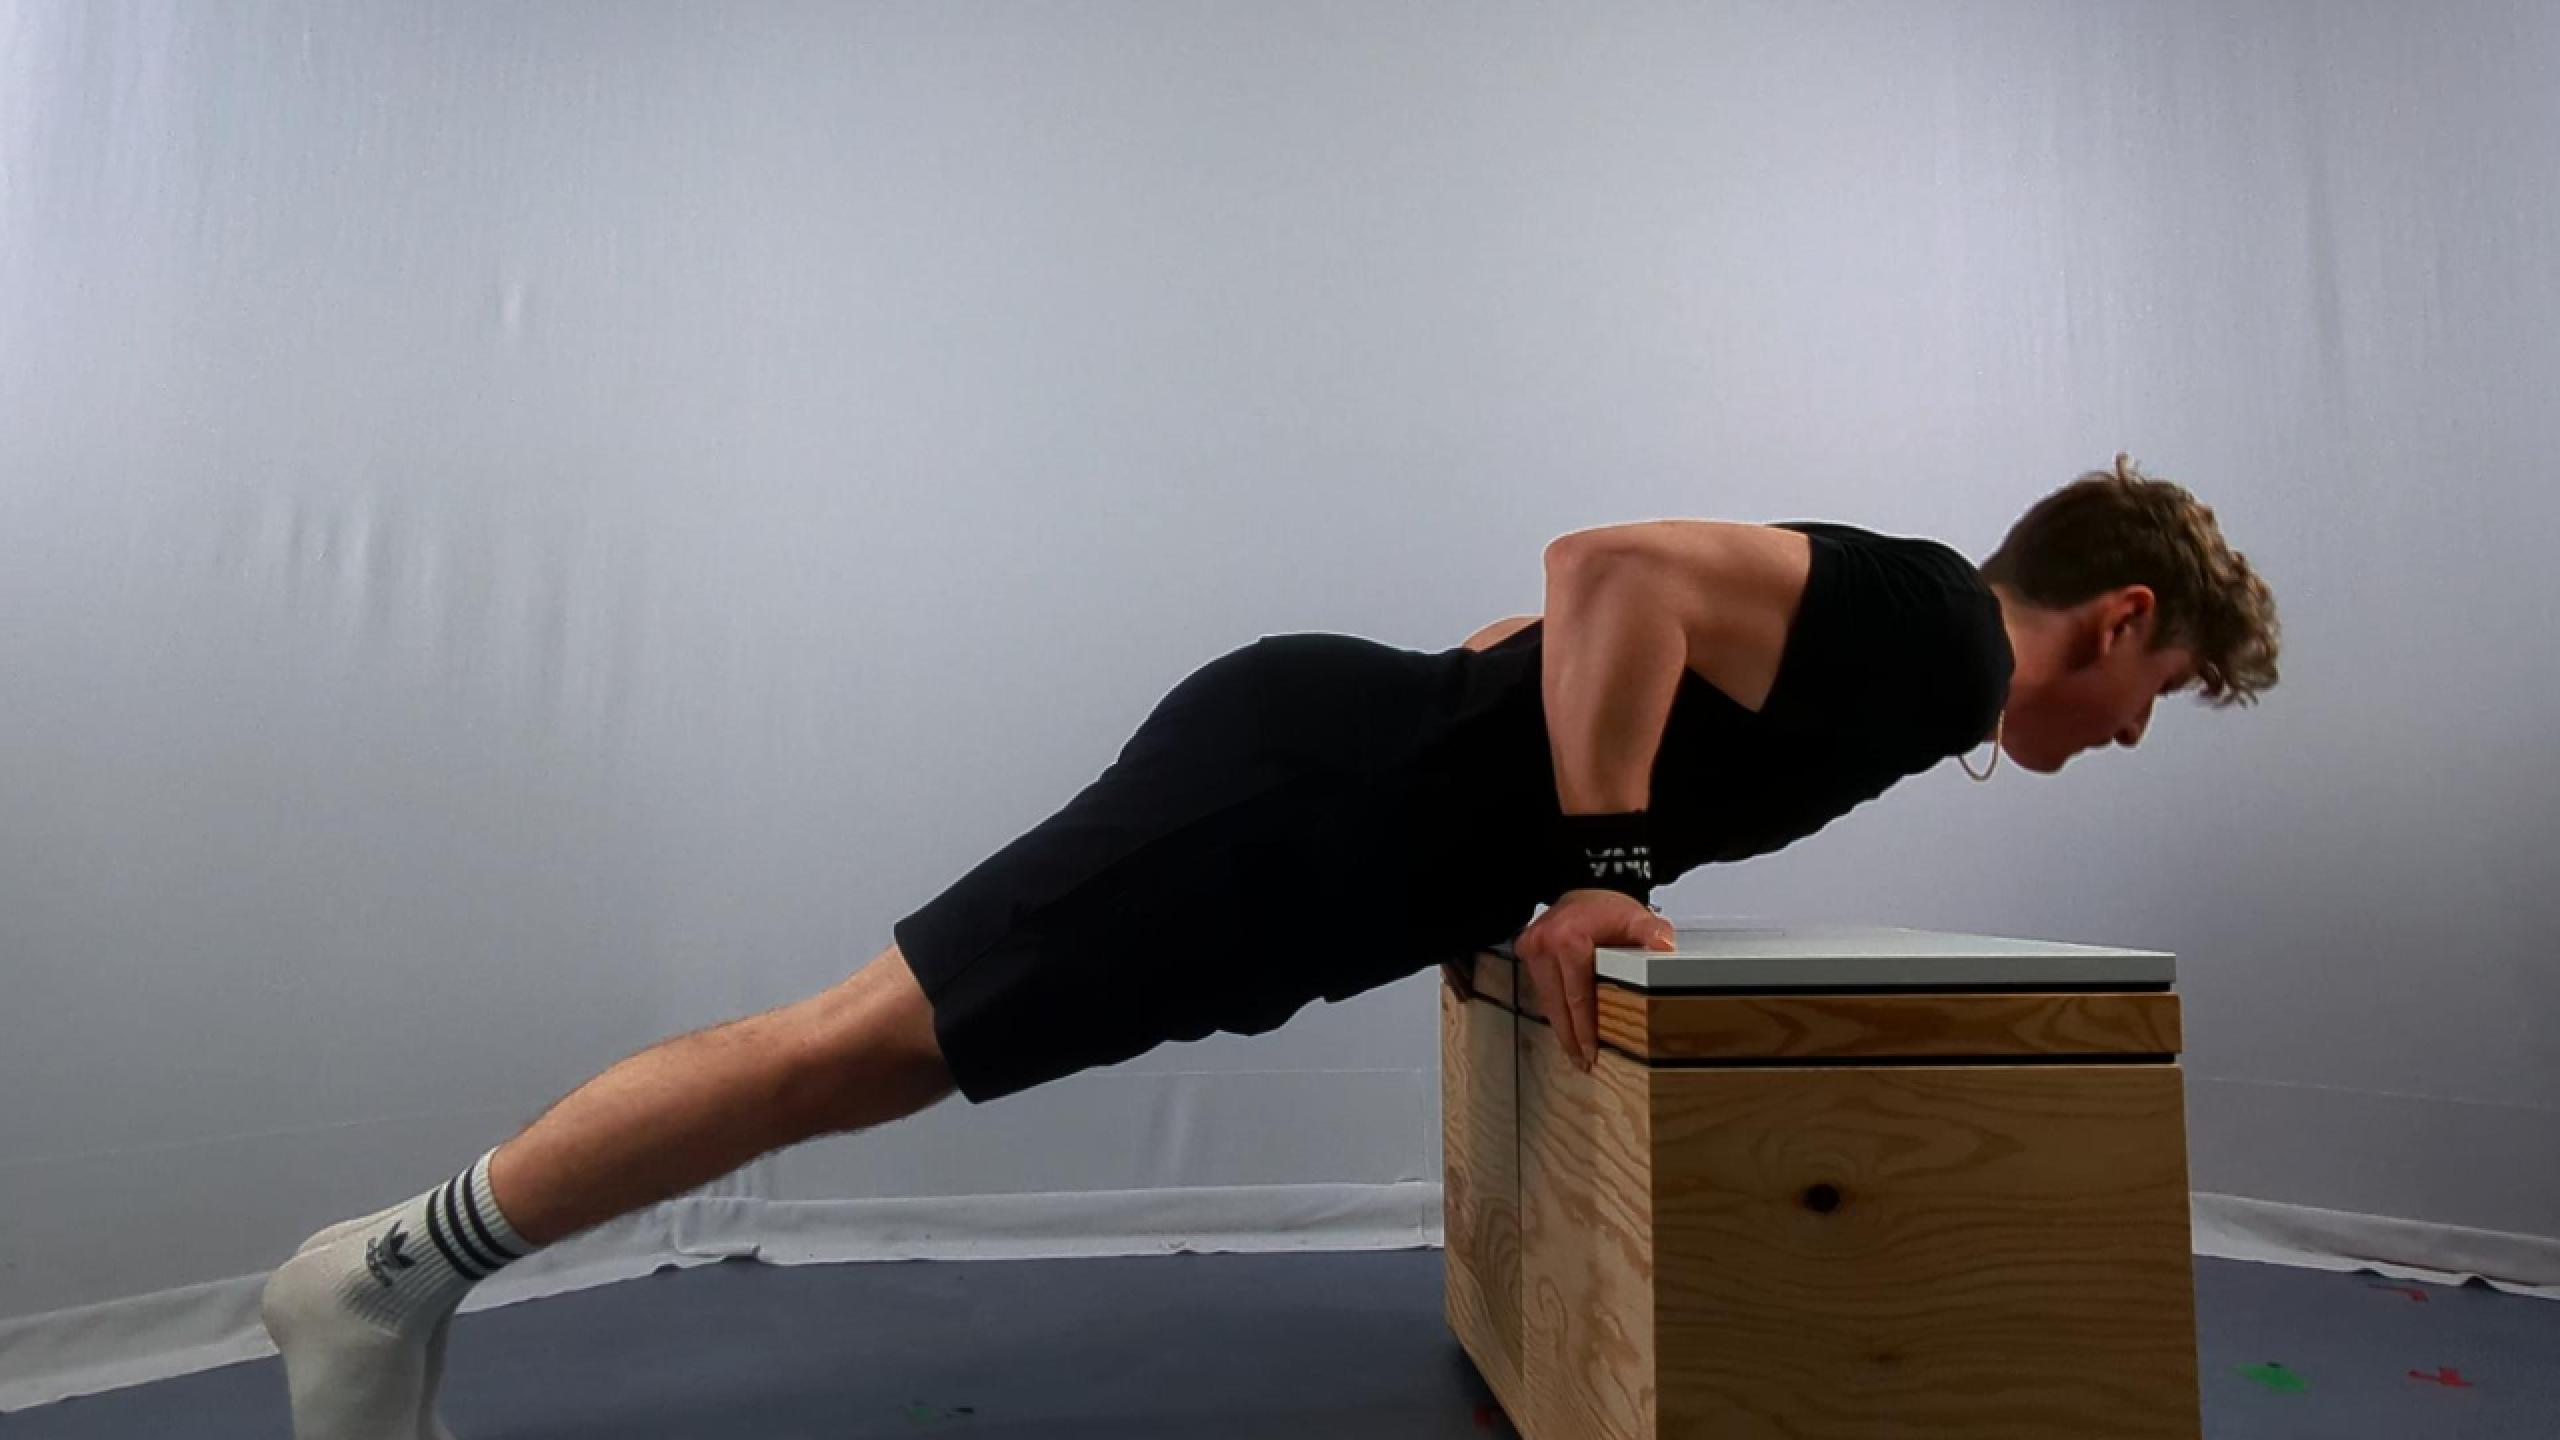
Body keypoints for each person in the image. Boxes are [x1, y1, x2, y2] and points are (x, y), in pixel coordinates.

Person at [260, 453, 2280, 1438]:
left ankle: (396, 1278)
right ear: (2112, 616)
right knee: (844, 1051)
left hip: (1321, 810)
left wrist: (1498, 859)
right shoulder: (1936, 633)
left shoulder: (1914, 668)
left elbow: (1524, 645)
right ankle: (378, 1274)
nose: (2121, 735)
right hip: (1296, 801)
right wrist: (1583, 863)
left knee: (859, 1044)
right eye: (2158, 689)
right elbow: (1605, 575)